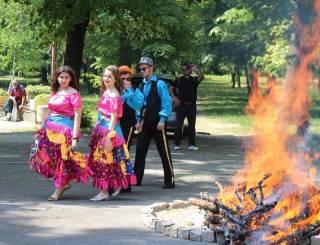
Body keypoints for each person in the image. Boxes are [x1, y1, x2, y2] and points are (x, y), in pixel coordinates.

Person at [28, 66, 91, 201]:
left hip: (64, 132)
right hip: (49, 130)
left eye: (66, 77)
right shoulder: (55, 91)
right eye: (61, 77)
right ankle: (63, 183)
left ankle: (58, 189)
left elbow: (77, 117)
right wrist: (40, 130)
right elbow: (50, 113)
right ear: (57, 77)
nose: (63, 80)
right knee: (46, 158)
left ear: (71, 79)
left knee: (61, 161)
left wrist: (74, 138)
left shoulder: (74, 94)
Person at [88, 65, 137, 201]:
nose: (106, 78)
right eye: (104, 76)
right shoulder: (106, 92)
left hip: (110, 131)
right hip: (102, 129)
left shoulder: (114, 95)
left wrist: (108, 137)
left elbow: (114, 118)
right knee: (108, 161)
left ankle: (104, 192)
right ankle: (110, 188)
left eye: (109, 76)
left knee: (105, 162)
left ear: (115, 78)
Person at [134, 57, 175, 189]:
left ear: (151, 68)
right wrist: (138, 121)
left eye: (144, 68)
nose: (141, 71)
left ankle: (170, 180)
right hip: (145, 123)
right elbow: (138, 105)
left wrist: (163, 119)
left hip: (158, 122)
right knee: (140, 150)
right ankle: (136, 179)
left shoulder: (160, 84)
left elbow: (166, 102)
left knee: (163, 151)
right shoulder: (140, 85)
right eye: (140, 69)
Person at [170, 63, 204, 151]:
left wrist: (196, 69)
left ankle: (192, 144)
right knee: (178, 125)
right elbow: (171, 88)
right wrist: (175, 98)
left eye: (187, 68)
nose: (185, 70)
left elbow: (202, 77)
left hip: (191, 106)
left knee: (192, 126)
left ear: (190, 70)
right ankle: (177, 144)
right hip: (181, 106)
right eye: (183, 69)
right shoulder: (178, 80)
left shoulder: (194, 80)